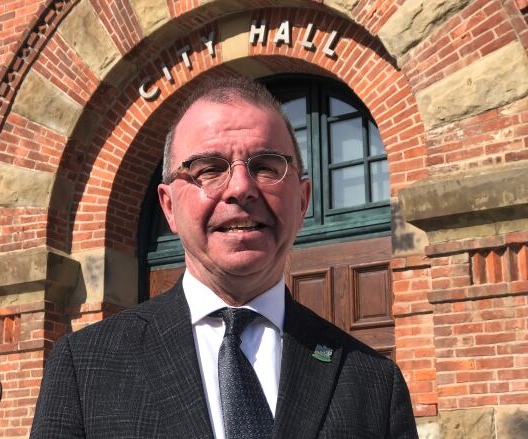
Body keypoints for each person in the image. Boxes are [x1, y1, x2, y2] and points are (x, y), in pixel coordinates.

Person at [30, 76, 418, 439]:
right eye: (209, 169)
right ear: (168, 207)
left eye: (266, 166)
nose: (241, 187)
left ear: (302, 202)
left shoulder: (373, 382)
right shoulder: (84, 366)